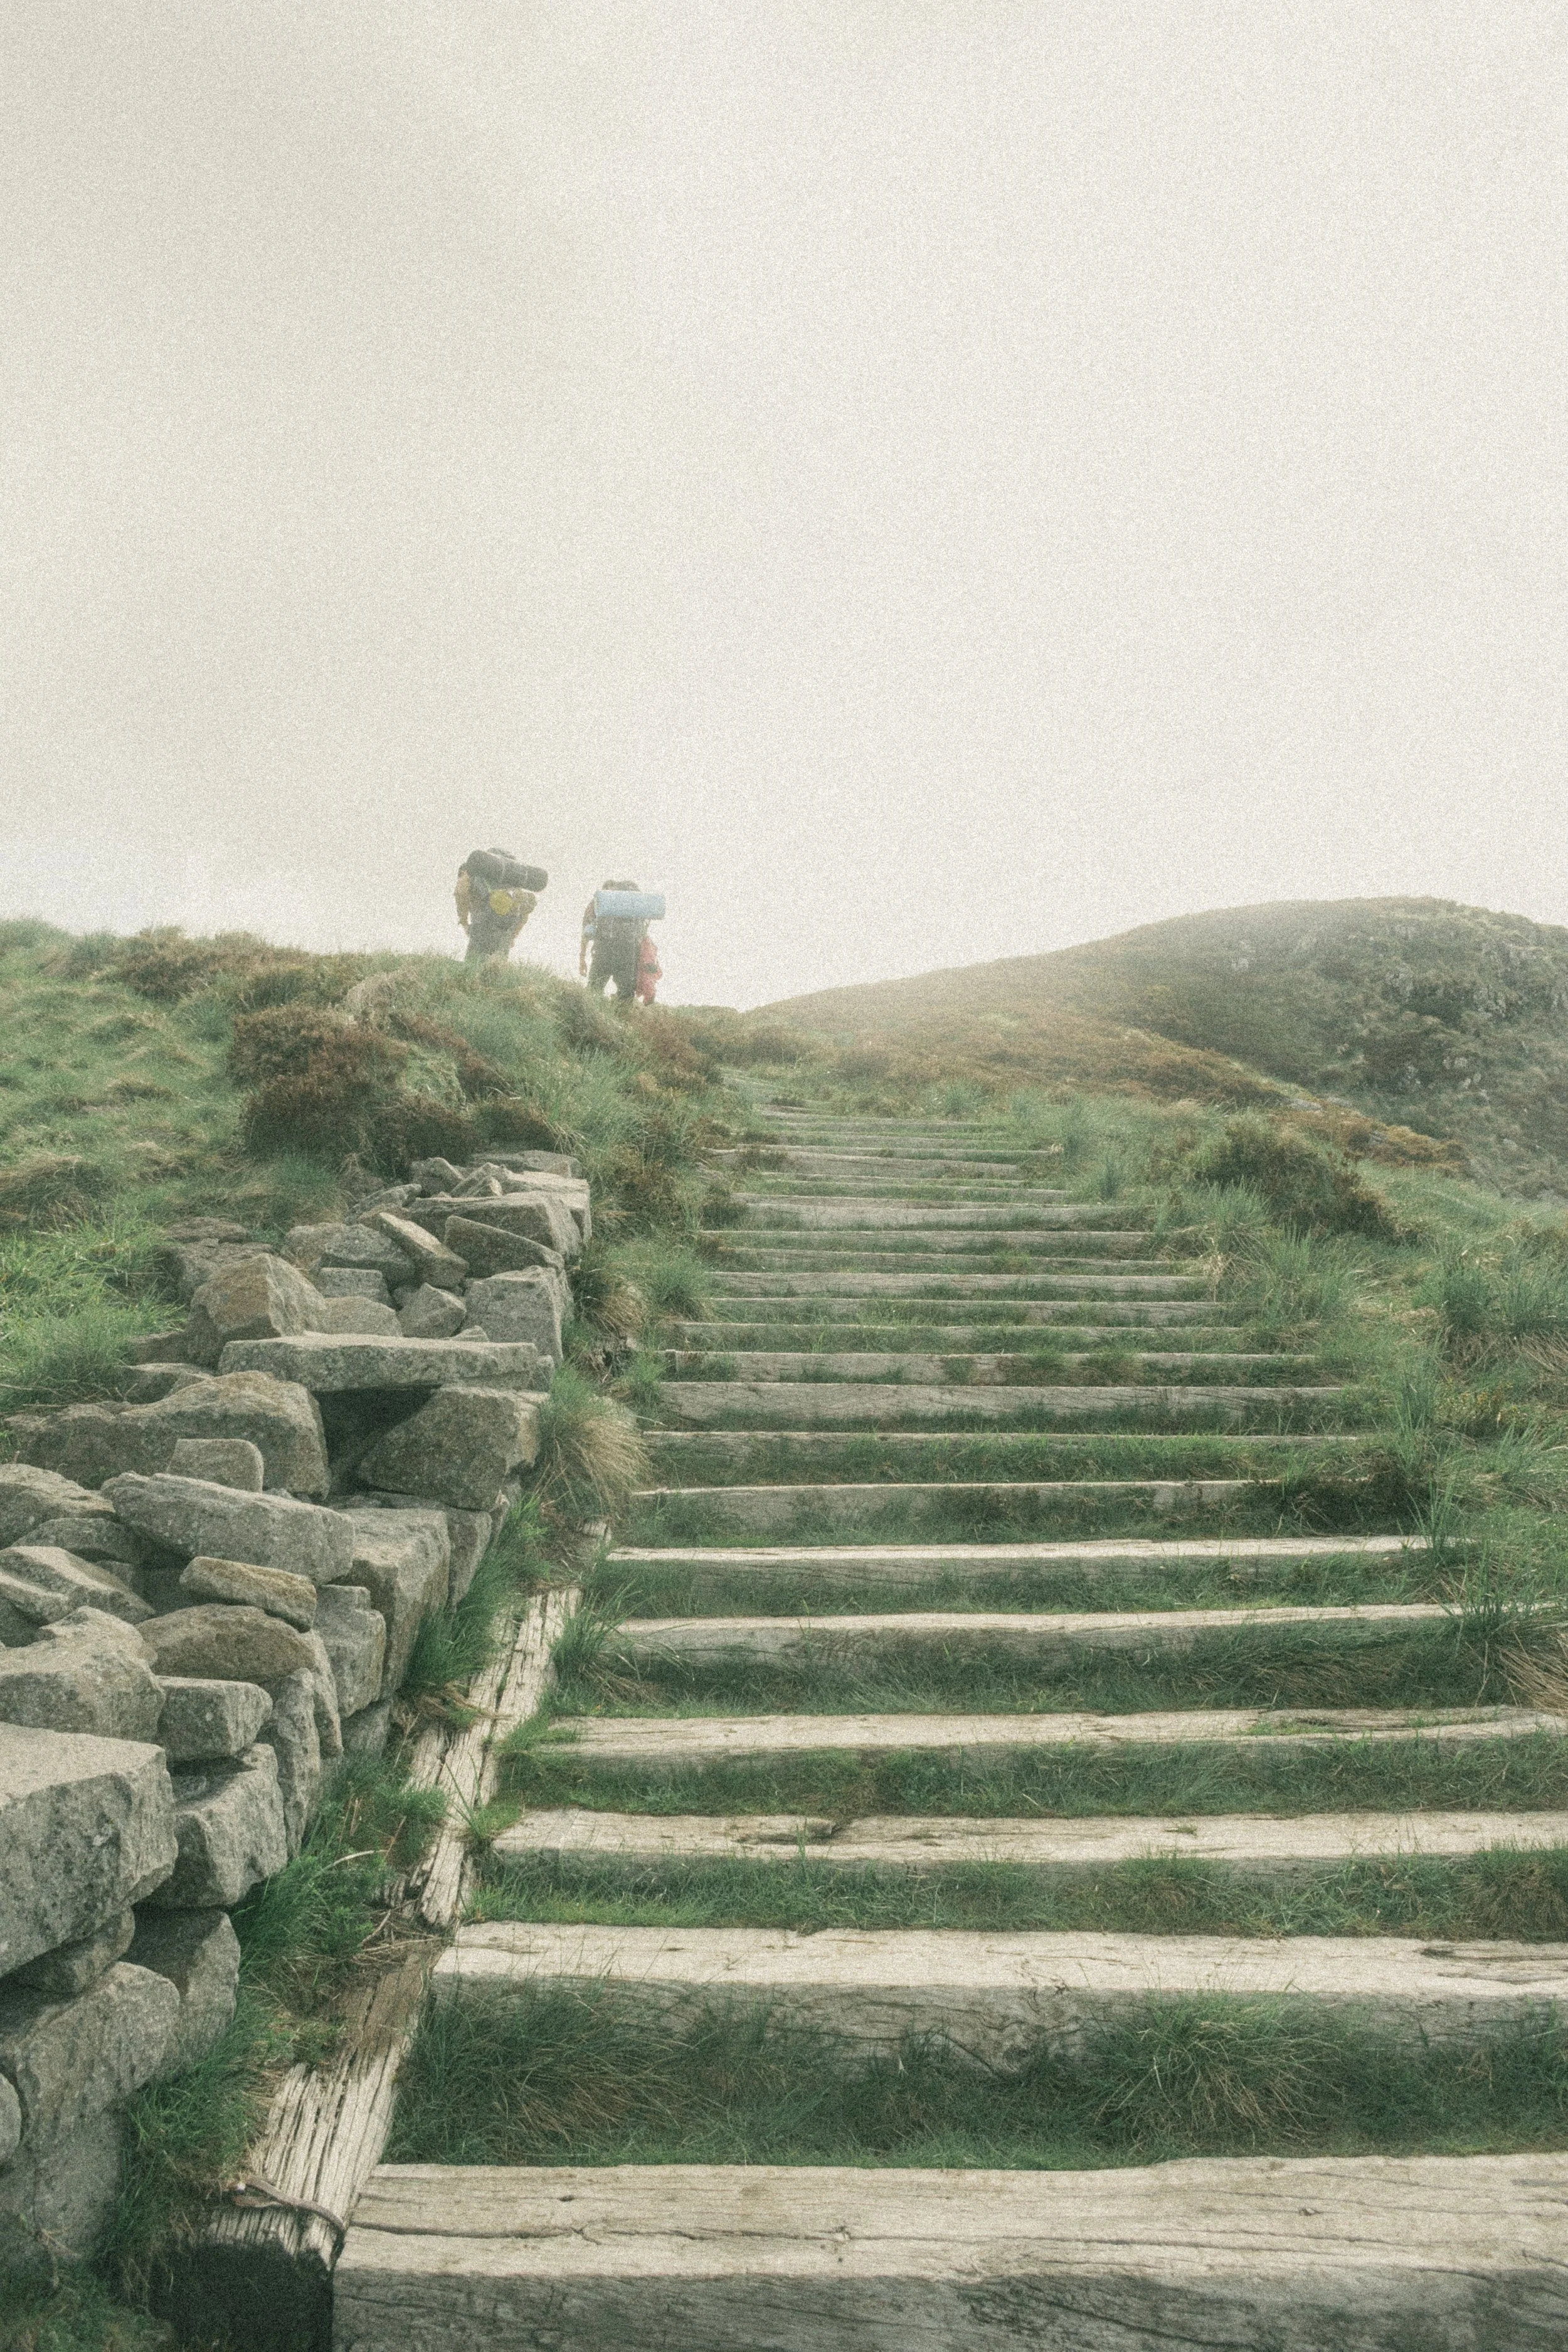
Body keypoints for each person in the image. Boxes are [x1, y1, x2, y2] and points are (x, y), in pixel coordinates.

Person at [456, 847, 541, 963]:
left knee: (472, 965)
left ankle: (473, 979)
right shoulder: (514, 880)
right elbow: (523, 909)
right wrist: (513, 935)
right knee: (497, 968)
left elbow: (461, 894)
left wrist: (464, 922)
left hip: (482, 923)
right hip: (508, 927)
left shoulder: (472, 872)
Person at [580, 878, 645, 999]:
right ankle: (623, 1015)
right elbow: (641, 933)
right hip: (628, 951)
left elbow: (586, 930)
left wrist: (582, 957)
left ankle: (593, 1014)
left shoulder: (600, 901)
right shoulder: (633, 904)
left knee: (594, 989)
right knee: (626, 993)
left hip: (603, 949)